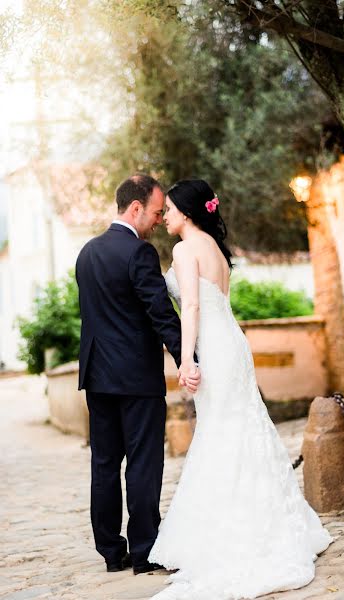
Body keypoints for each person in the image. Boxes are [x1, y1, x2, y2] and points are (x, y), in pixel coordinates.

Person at [148, 179, 333, 600]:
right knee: (239, 428)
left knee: (222, 432)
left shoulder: (183, 249)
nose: (167, 217)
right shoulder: (214, 247)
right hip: (233, 344)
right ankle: (267, 519)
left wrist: (188, 358)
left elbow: (191, 306)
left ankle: (233, 533)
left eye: (172, 209)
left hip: (213, 350)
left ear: (189, 212)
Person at [75, 175, 200, 576]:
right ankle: (145, 550)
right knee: (144, 463)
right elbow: (160, 313)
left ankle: (112, 552)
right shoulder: (139, 253)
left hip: (97, 377)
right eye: (157, 211)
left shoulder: (87, 253)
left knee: (105, 464)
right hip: (136, 379)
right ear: (135, 208)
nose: (158, 219)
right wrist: (189, 358)